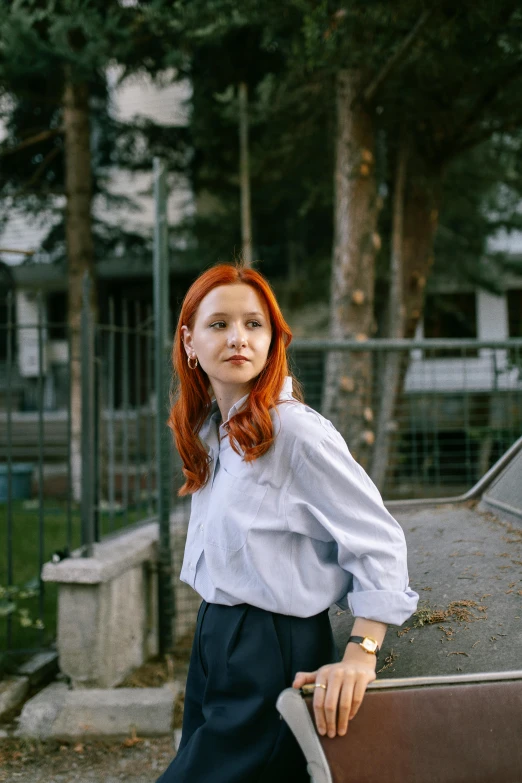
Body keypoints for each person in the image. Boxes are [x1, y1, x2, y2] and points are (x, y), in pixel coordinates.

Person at [156, 263, 418, 783]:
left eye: (255, 324)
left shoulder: (294, 433)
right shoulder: (214, 430)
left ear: (274, 339)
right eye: (219, 324)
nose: (238, 338)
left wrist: (361, 653)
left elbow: (378, 540)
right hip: (216, 638)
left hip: (271, 649)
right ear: (189, 341)